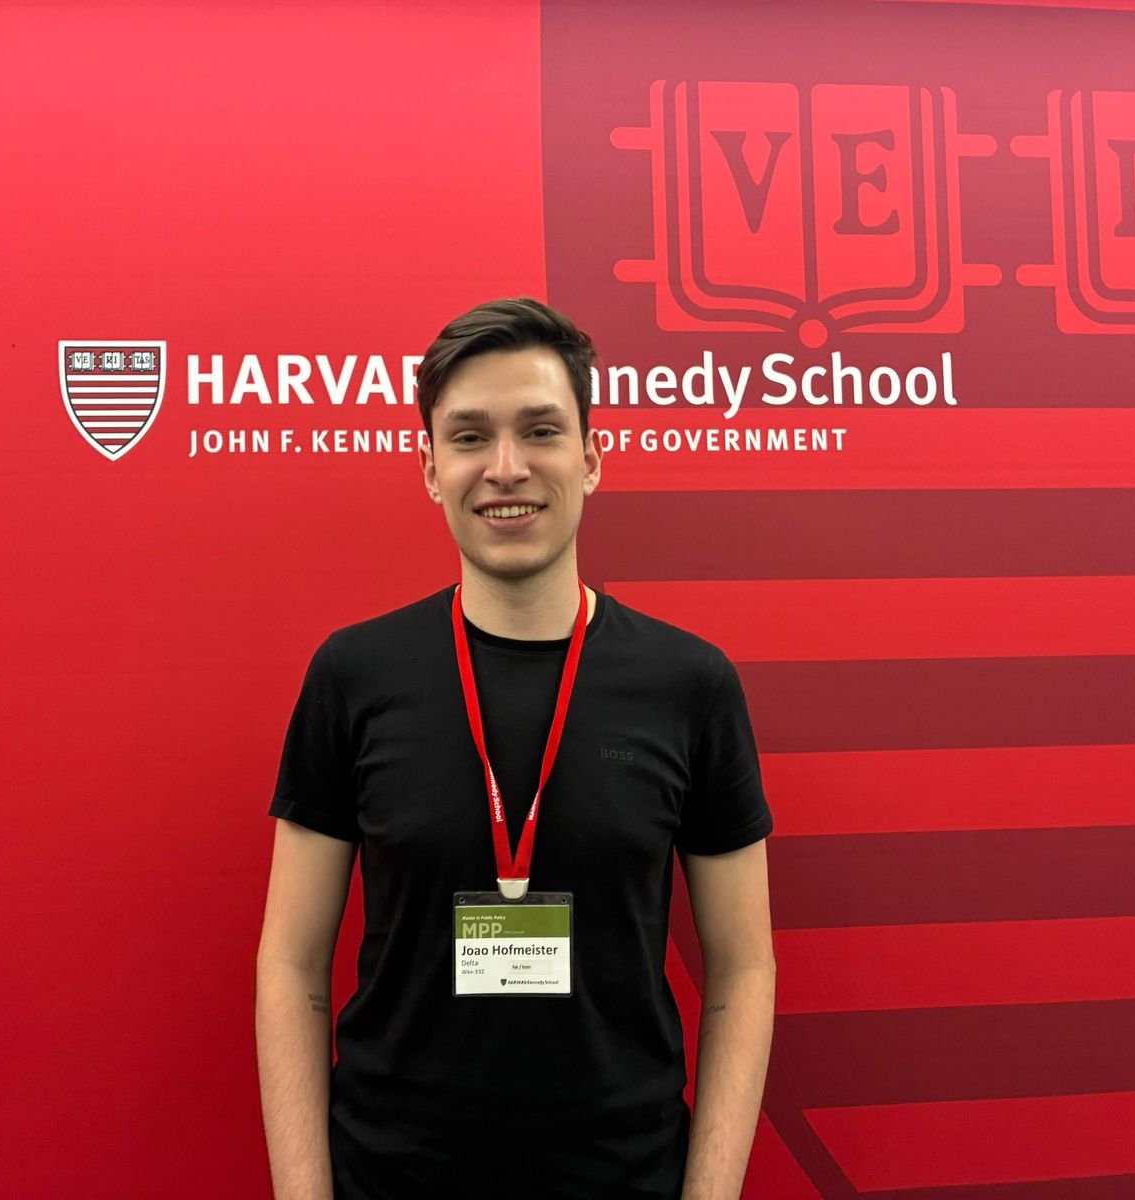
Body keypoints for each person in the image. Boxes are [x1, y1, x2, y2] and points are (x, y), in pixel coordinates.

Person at [256, 298, 774, 1200]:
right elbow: (292, 966)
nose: (506, 468)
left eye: (540, 430)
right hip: (391, 1178)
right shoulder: (353, 675)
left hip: (626, 1178)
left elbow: (743, 970)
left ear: (591, 456)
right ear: (430, 468)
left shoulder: (689, 684)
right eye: (469, 437)